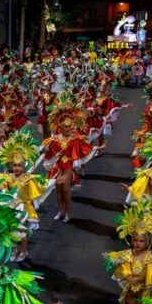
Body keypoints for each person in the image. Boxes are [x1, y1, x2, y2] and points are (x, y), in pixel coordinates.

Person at [0, 128, 52, 262]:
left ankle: (23, 251)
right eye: (14, 165)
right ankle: (13, 250)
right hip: (11, 208)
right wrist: (0, 185)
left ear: (24, 166)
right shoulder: (8, 177)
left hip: (24, 208)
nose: (17, 168)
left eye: (19, 165)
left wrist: (53, 181)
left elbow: (40, 186)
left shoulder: (28, 178)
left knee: (22, 232)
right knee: (11, 230)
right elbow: (0, 185)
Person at [42, 93, 94, 223]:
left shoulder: (74, 138)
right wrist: (48, 149)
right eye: (65, 126)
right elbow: (50, 154)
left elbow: (84, 147)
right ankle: (61, 211)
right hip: (58, 168)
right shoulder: (54, 139)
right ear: (60, 126)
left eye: (70, 125)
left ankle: (68, 214)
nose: (68, 128)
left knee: (65, 190)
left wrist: (96, 148)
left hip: (68, 169)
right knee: (58, 191)